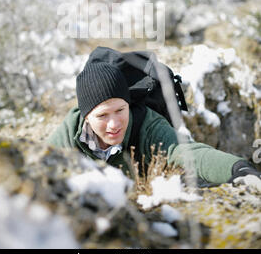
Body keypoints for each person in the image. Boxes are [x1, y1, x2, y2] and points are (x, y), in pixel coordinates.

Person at [47, 60, 261, 188]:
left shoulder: (147, 125)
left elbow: (189, 152)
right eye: (102, 116)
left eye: (120, 110)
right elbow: (38, 165)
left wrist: (238, 168)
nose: (114, 124)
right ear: (86, 117)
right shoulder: (70, 131)